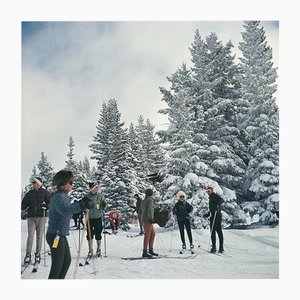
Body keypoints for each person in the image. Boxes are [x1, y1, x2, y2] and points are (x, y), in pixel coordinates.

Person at [46, 170, 92, 279]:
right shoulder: (59, 196)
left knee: (66, 261)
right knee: (57, 267)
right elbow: (65, 210)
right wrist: (81, 205)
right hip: (55, 235)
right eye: (71, 182)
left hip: (59, 234)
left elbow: (67, 208)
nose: (72, 185)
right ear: (65, 184)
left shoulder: (63, 195)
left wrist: (81, 204)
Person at [21, 177, 51, 265]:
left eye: (35, 182)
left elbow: (50, 203)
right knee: (30, 235)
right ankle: (28, 254)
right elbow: (23, 205)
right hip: (31, 217)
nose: (33, 184)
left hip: (42, 217)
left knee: (39, 236)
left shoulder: (45, 192)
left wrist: (46, 206)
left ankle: (38, 254)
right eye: (33, 182)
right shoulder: (29, 193)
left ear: (39, 184)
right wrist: (24, 207)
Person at [84, 181, 107, 258]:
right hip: (89, 218)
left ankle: (98, 249)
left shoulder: (100, 196)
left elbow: (105, 204)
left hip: (98, 217)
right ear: (92, 189)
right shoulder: (87, 196)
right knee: (89, 234)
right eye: (96, 187)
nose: (98, 188)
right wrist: (84, 206)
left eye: (98, 187)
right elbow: (82, 205)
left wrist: (104, 205)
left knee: (98, 233)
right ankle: (90, 250)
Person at [205, 186, 224, 253]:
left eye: (209, 191)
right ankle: (217, 247)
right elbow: (212, 209)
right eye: (207, 191)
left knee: (215, 231)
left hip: (217, 215)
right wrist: (207, 214)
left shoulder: (215, 196)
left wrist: (218, 204)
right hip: (213, 215)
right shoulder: (211, 198)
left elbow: (221, 200)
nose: (208, 192)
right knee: (215, 231)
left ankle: (217, 247)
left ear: (212, 191)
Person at [140, 188, 157, 258]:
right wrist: (151, 218)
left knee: (152, 234)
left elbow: (141, 209)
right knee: (148, 235)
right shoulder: (150, 200)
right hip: (147, 219)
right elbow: (150, 209)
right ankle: (145, 251)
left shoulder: (144, 200)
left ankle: (150, 249)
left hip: (144, 218)